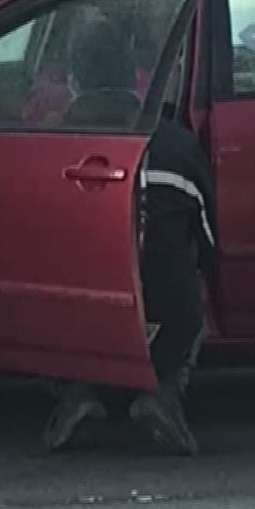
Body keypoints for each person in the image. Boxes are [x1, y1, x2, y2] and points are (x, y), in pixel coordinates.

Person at [43, 23, 212, 457]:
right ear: (136, 72)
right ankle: (164, 394)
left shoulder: (46, 144)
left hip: (80, 318)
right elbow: (208, 240)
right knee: (186, 290)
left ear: (75, 79)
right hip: (166, 316)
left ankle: (76, 393)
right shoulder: (178, 143)